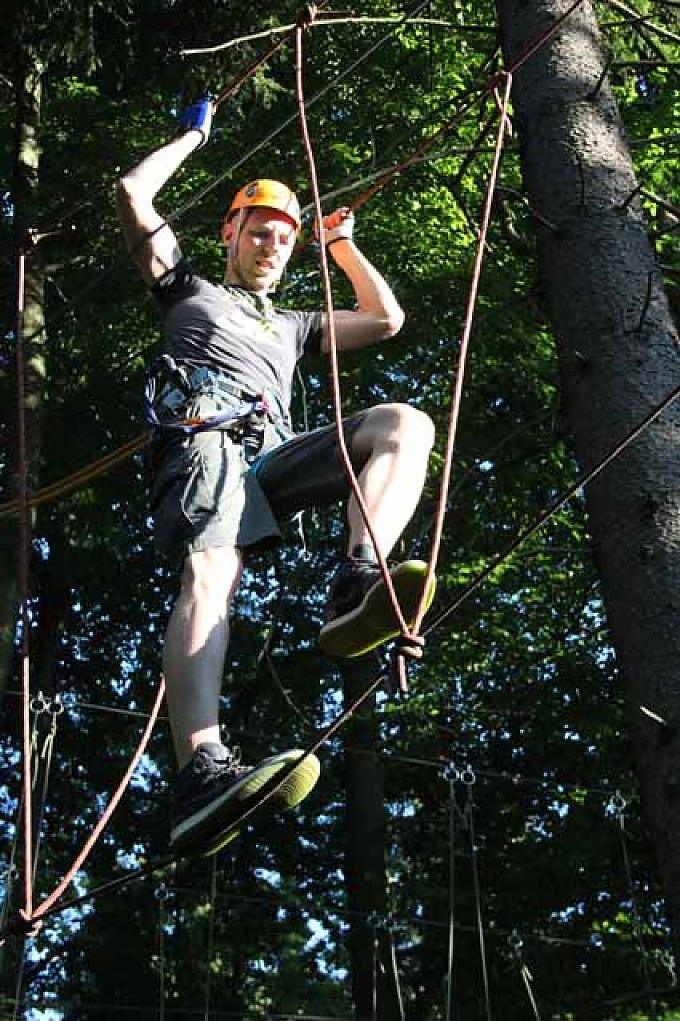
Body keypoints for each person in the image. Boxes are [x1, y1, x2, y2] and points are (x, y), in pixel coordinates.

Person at [116, 98, 436, 856]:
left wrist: (343, 249)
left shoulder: (293, 324)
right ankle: (200, 766)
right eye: (259, 231)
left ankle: (359, 576)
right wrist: (194, 136)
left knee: (404, 424)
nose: (272, 246)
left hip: (270, 454)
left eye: (284, 240)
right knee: (213, 575)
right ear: (229, 232)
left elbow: (385, 318)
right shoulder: (189, 289)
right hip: (203, 438)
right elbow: (133, 193)